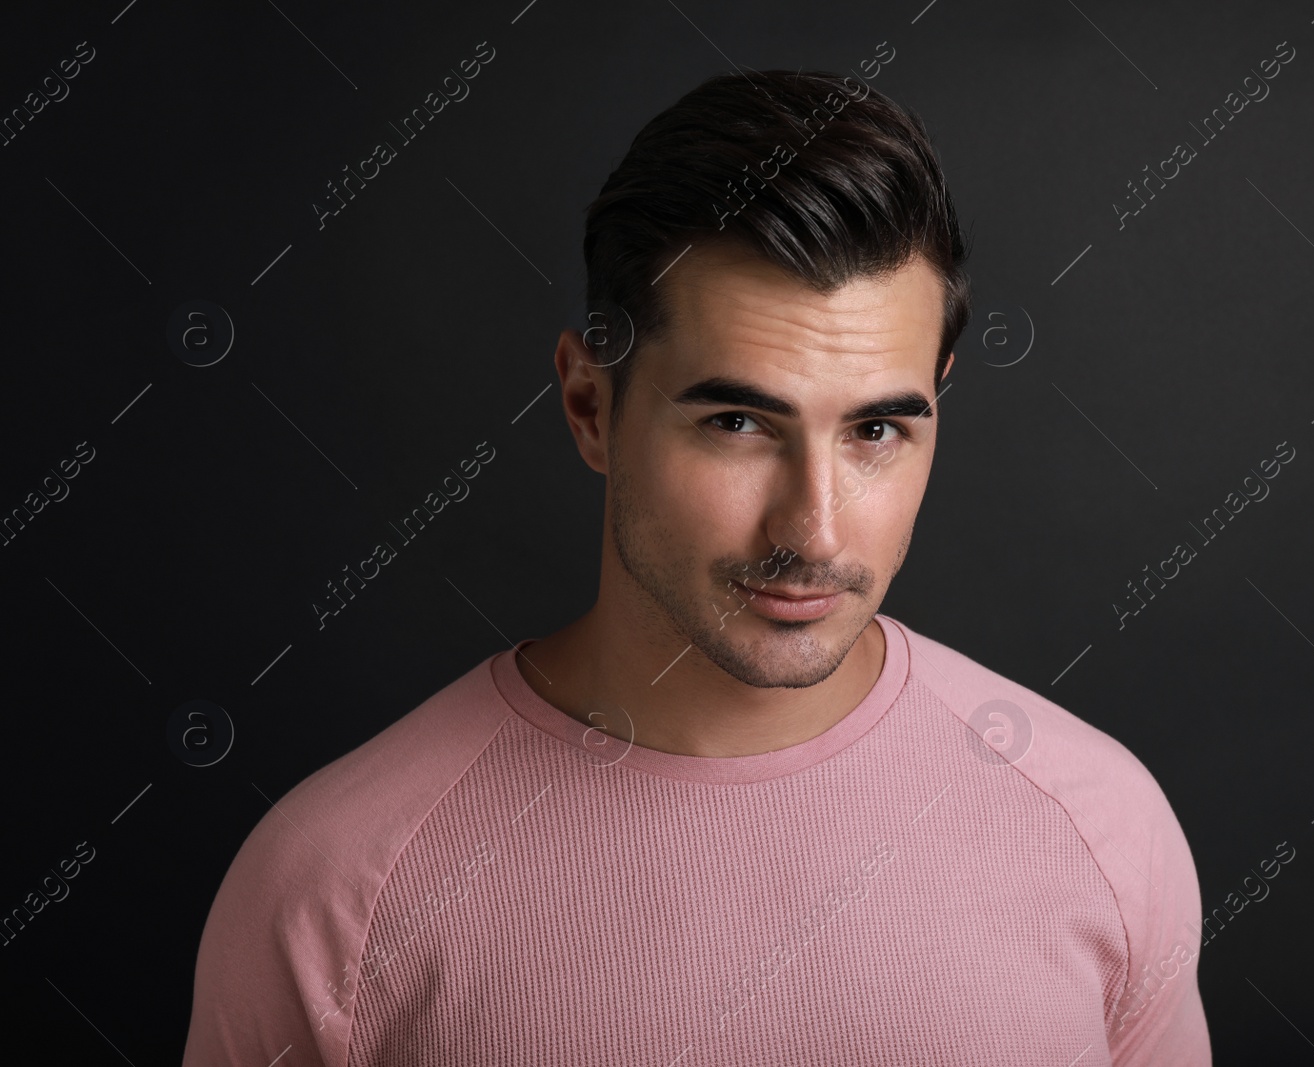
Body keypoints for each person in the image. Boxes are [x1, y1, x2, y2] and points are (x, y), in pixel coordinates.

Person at [182, 68, 1210, 1066]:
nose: (812, 528)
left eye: (876, 430)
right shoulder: (336, 888)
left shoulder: (1099, 828)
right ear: (591, 405)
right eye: (735, 421)